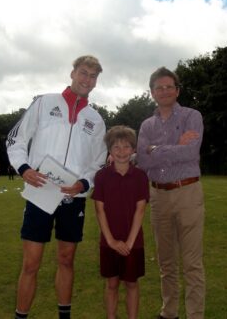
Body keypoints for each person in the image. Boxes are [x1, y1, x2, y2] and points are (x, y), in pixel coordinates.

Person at [6, 55, 107, 319]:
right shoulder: (44, 103)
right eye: (83, 73)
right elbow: (15, 140)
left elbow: (98, 162)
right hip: (41, 193)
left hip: (73, 197)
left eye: (93, 76)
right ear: (72, 73)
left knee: (66, 260)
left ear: (96, 82)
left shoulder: (95, 120)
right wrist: (24, 168)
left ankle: (64, 316)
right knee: (31, 263)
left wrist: (84, 182)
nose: (87, 80)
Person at [137, 67, 205, 319]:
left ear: (177, 90)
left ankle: (195, 315)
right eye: (159, 87)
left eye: (169, 87)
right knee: (166, 262)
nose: (164, 91)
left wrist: (155, 149)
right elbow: (142, 161)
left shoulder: (192, 116)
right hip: (158, 196)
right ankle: (169, 312)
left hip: (187, 192)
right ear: (152, 92)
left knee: (192, 263)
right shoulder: (146, 124)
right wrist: (174, 146)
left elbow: (190, 153)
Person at [92, 126, 149, 319]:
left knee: (132, 283)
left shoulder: (141, 176)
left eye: (126, 147)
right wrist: (111, 241)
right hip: (109, 241)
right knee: (112, 283)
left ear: (133, 149)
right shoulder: (101, 176)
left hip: (134, 242)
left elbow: (140, 209)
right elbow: (99, 210)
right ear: (109, 150)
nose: (121, 151)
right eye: (116, 147)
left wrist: (130, 243)